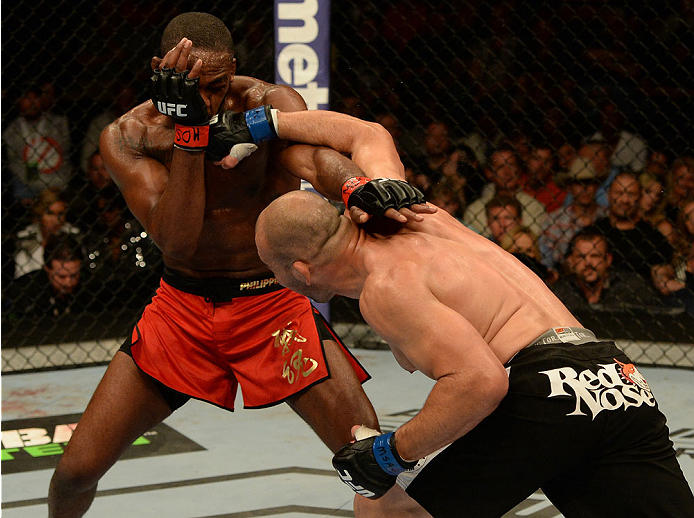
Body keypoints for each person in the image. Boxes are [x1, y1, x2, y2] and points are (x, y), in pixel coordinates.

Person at [47, 12, 433, 518]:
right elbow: (178, 241)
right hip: (180, 314)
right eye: (195, 88)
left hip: (273, 307)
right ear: (162, 70)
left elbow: (315, 159)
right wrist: (189, 131)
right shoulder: (129, 135)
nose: (209, 99)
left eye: (218, 85)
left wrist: (356, 185)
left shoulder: (267, 104)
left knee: (372, 466)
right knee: (75, 473)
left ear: (233, 70)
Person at [255, 189, 694, 517]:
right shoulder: (421, 217)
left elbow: (480, 382)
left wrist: (391, 452)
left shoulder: (384, 286)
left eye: (274, 272)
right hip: (614, 376)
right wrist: (271, 124)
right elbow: (367, 134)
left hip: (542, 391)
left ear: (300, 271)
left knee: (387, 509)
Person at [551, 226, 662, 308]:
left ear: (608, 260)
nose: (588, 262)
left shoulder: (633, 287)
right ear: (570, 261)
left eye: (595, 256)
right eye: (581, 257)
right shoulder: (559, 292)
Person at [1, 82, 74, 205]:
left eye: (36, 97)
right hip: (25, 184)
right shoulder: (11, 130)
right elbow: (11, 163)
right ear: (18, 101)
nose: (32, 102)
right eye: (27, 98)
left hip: (58, 181)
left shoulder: (60, 123)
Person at [592, 171, 674, 278]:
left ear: (639, 197)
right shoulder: (594, 231)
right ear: (609, 195)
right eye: (619, 193)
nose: (625, 200)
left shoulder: (654, 239)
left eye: (631, 194)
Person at [463, 144, 549, 237]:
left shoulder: (534, 207)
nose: (507, 172)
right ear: (489, 173)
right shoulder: (474, 211)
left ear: (519, 170)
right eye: (500, 167)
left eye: (511, 165)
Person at [539, 157, 607, 269]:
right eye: (578, 183)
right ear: (570, 187)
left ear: (596, 186)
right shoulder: (554, 220)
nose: (584, 188)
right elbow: (547, 262)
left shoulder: (608, 216)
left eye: (589, 182)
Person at [4, 234, 91, 318]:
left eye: (73, 275)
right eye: (61, 276)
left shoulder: (90, 287)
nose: (68, 283)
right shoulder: (23, 291)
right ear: (47, 268)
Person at [14, 187, 81, 278]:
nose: (56, 220)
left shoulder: (74, 236)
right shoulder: (25, 239)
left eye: (60, 214)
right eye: (50, 213)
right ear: (40, 213)